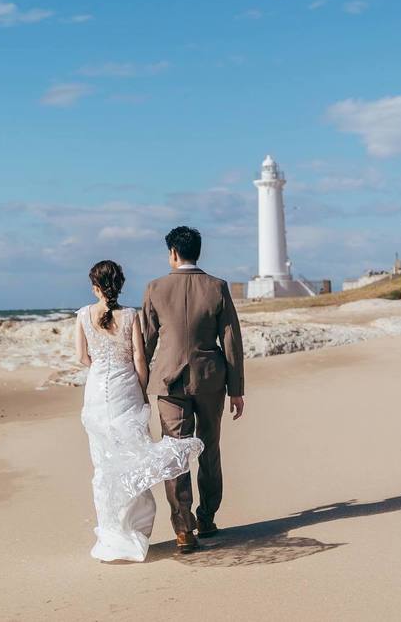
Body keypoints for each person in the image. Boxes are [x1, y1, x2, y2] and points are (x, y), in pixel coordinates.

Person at [75, 259, 203, 562]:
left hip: (96, 392)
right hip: (126, 390)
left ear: (95, 287)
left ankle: (111, 534)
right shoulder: (130, 315)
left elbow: (82, 357)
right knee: (132, 456)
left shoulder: (82, 316)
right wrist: (141, 390)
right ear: (119, 286)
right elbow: (139, 359)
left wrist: (102, 371)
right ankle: (134, 531)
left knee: (104, 462)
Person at [142, 225, 245, 554]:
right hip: (211, 379)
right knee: (209, 449)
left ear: (173, 253)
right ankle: (208, 517)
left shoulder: (155, 288)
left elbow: (144, 342)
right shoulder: (216, 287)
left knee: (175, 453)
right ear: (196, 251)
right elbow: (231, 341)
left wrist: (136, 384)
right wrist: (236, 389)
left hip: (168, 381)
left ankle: (183, 529)